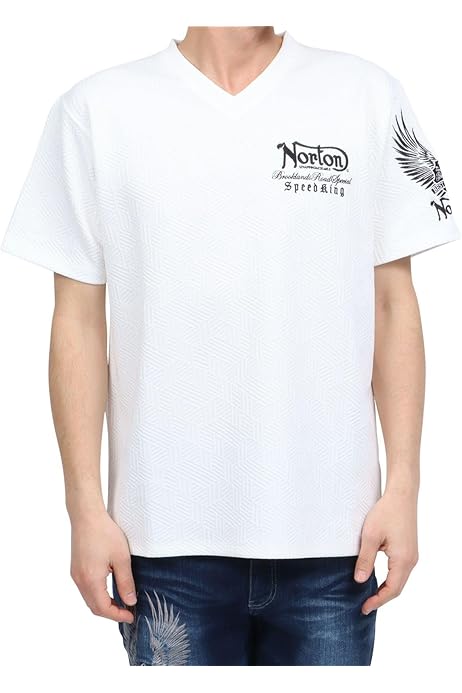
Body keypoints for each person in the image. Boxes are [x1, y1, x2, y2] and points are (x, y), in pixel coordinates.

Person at [1, 25, 460, 667]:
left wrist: (406, 486)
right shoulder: (97, 110)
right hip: (161, 541)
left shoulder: (366, 95)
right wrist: (83, 506)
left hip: (336, 539)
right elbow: (76, 320)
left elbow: (394, 304)